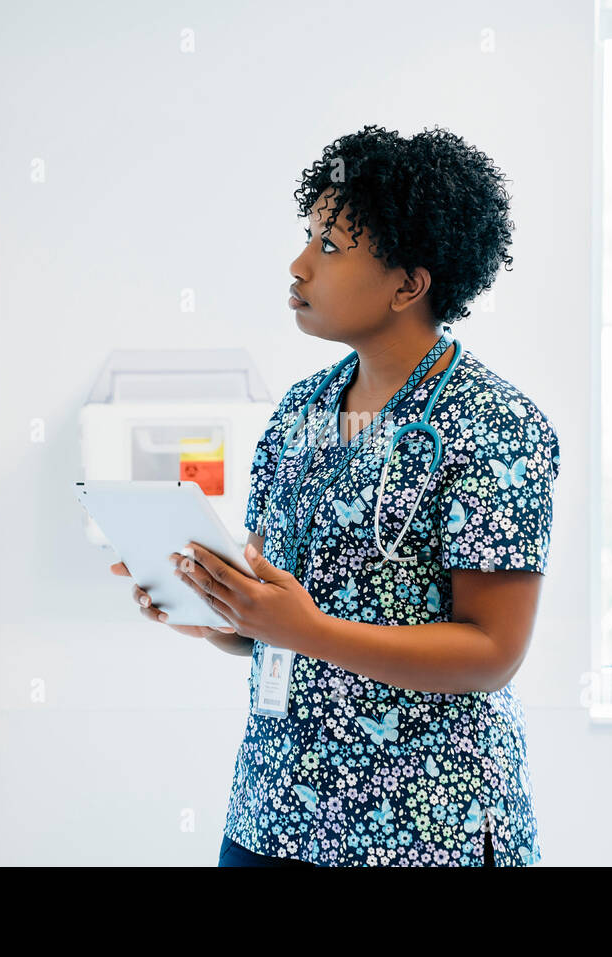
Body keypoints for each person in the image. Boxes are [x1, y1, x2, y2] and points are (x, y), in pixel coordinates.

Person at [112, 125, 559, 867]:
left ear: (407, 285)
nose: (298, 264)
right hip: (275, 810)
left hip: (426, 828)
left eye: (329, 246)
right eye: (308, 236)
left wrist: (304, 628)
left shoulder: (497, 425)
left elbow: (493, 652)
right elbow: (272, 621)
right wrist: (211, 607)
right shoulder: (300, 412)